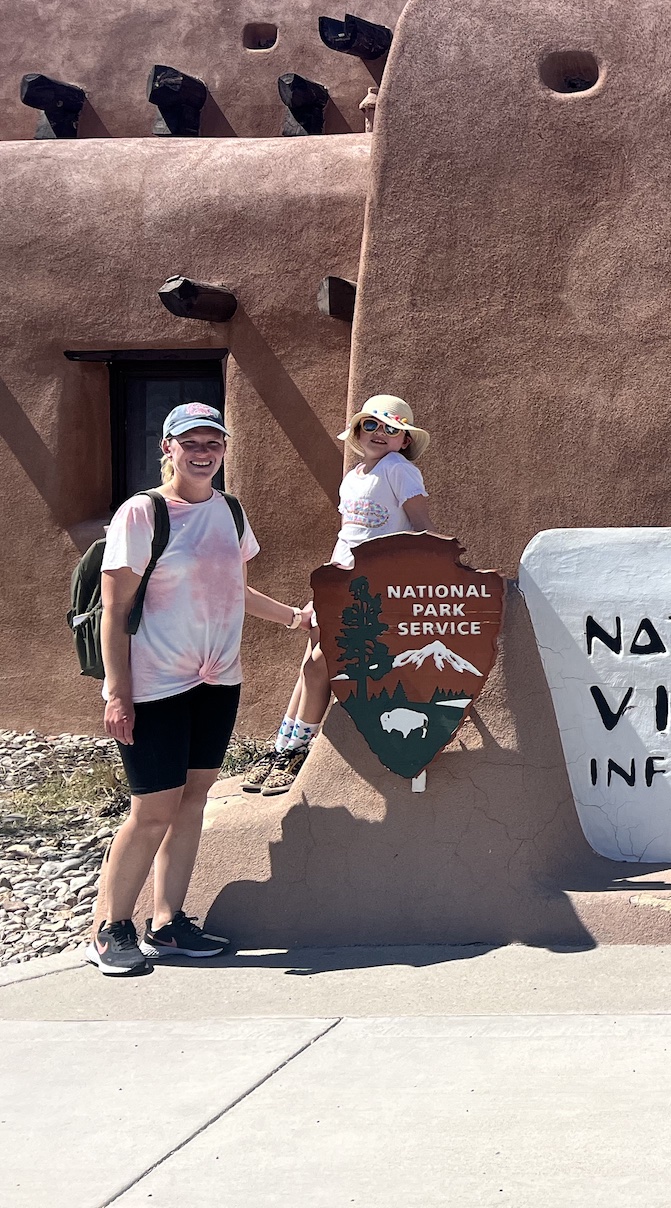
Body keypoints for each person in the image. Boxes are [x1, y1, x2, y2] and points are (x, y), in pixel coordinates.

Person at [90, 403, 308, 976]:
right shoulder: (144, 513)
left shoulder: (230, 512)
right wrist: (118, 691)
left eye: (213, 441)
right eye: (191, 442)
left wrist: (292, 617)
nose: (203, 452)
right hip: (157, 686)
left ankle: (168, 923)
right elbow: (113, 611)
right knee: (151, 811)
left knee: (191, 803)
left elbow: (236, 588)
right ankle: (111, 928)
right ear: (168, 448)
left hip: (218, 682)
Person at [240, 396, 433, 796]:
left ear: (404, 441)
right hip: (338, 582)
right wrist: (323, 587)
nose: (380, 434)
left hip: (372, 588)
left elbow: (421, 531)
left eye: (391, 429)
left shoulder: (400, 471)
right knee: (309, 665)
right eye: (371, 426)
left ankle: (297, 753)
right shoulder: (355, 476)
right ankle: (283, 747)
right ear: (359, 431)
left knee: (318, 665)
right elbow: (348, 535)